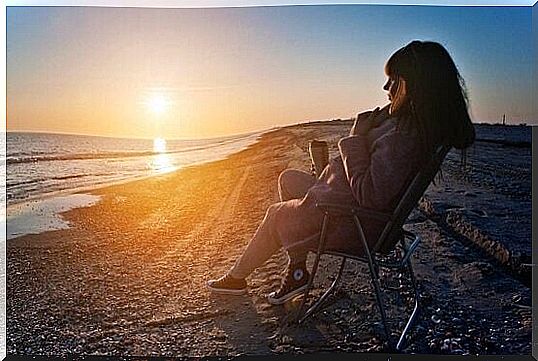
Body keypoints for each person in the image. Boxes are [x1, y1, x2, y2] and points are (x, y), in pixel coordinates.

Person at [207, 40, 475, 305]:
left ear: (410, 86)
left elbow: (370, 195)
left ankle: (236, 279)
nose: (385, 88)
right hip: (342, 205)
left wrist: (355, 136)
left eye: (393, 80)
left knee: (275, 214)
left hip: (350, 221)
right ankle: (298, 272)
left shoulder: (403, 136)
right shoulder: (408, 127)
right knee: (289, 179)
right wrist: (371, 131)